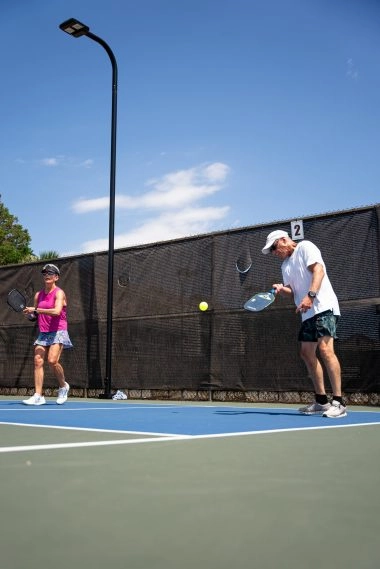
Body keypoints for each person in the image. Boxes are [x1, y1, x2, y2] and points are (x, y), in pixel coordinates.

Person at [262, 230, 346, 418]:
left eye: (275, 248)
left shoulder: (306, 247)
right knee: (307, 353)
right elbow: (293, 290)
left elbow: (319, 270)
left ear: (284, 240)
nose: (275, 252)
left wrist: (311, 296)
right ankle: (321, 401)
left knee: (325, 350)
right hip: (307, 314)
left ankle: (339, 402)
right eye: (272, 251)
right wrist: (281, 288)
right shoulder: (285, 266)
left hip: (324, 306)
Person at [22, 263, 73, 406]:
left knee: (52, 361)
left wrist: (36, 310)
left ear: (56, 277)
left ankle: (63, 386)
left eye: (50, 273)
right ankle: (38, 395)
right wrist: (31, 315)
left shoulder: (59, 293)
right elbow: (36, 315)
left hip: (58, 331)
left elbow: (56, 311)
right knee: (38, 360)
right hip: (44, 332)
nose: (47, 276)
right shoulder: (39, 295)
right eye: (44, 274)